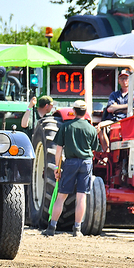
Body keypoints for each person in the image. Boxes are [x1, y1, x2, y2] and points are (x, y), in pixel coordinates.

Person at [44, 100, 101, 237]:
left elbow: (58, 151)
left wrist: (57, 168)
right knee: (81, 196)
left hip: (70, 163)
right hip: (86, 163)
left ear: (74, 111)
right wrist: (95, 132)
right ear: (85, 112)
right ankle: (77, 230)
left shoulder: (66, 126)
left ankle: (51, 228)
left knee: (61, 196)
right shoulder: (91, 129)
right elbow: (95, 148)